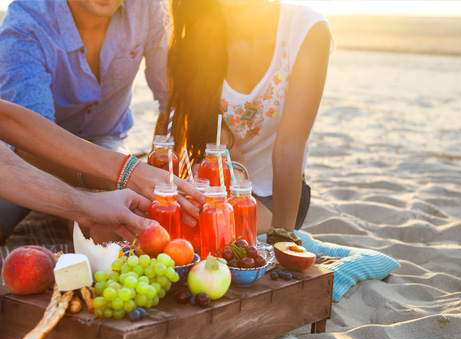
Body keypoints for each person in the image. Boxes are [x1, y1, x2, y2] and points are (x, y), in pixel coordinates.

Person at [159, 0, 333, 245]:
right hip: (217, 188)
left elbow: (288, 151)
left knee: (203, 241)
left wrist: (282, 239)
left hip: (276, 196)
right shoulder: (197, 43)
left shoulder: (306, 28)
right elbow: (223, 146)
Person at [0, 0, 172, 242]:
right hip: (26, 155)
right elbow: (26, 142)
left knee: (120, 230)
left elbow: (174, 100)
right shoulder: (26, 21)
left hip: (105, 141)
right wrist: (124, 175)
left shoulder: (149, 7)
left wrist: (168, 163)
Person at [0, 100, 204, 242]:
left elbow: (6, 119)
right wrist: (123, 175)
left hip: (96, 144)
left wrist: (129, 172)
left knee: (109, 209)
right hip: (27, 154)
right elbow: (20, 145)